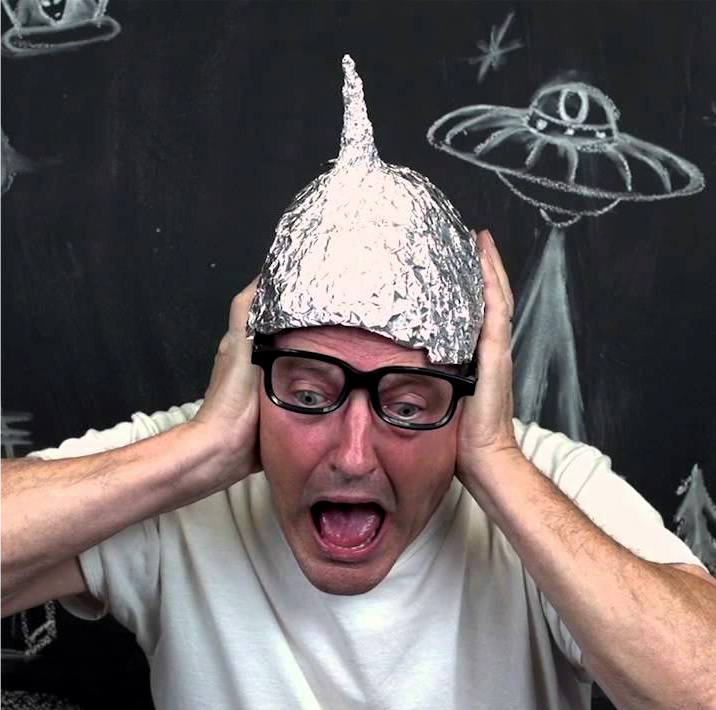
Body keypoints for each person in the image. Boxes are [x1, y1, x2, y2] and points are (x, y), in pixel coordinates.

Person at [3, 57, 716, 710]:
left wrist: (495, 460)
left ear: (469, 397)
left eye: (406, 404)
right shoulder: (185, 473)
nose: (351, 454)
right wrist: (201, 451)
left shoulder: (548, 483)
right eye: (310, 395)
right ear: (252, 375)